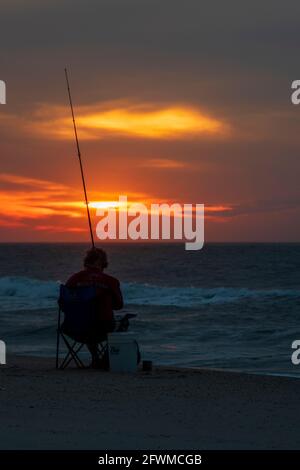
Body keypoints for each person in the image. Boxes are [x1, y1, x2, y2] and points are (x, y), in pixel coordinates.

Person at [65, 247, 123, 367]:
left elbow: (64, 303)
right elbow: (119, 305)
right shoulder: (111, 281)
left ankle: (96, 358)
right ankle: (107, 360)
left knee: (88, 321)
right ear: (103, 263)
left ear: (86, 262)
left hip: (75, 328)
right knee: (123, 323)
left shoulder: (73, 280)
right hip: (103, 329)